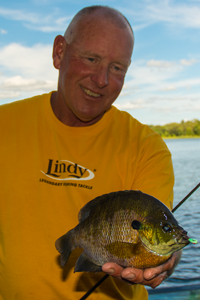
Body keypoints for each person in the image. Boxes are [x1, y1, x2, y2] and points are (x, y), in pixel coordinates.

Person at [0, 5, 181, 300]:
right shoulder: (3, 126)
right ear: (59, 52)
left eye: (117, 67)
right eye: (91, 58)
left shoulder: (147, 147)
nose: (102, 80)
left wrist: (166, 262)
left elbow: (158, 229)